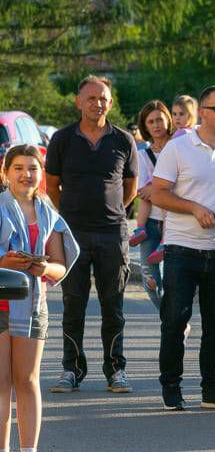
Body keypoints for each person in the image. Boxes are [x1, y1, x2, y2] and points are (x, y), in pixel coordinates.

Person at [150, 85, 215, 411]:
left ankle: (212, 389)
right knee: (175, 320)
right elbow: (158, 194)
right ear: (204, 112)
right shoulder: (179, 147)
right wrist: (194, 208)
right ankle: (171, 386)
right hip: (182, 248)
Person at [45, 75, 137, 395]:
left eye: (103, 99)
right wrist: (69, 216)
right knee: (74, 305)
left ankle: (116, 370)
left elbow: (130, 188)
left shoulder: (123, 140)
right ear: (78, 102)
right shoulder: (62, 139)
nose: (98, 103)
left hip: (113, 234)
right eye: (91, 98)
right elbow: (51, 186)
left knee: (113, 306)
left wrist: (112, 212)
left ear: (110, 103)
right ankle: (71, 370)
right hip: (73, 234)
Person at [0, 145, 77, 452]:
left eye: (32, 168)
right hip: (0, 303)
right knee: (0, 382)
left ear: (40, 173)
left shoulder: (49, 214)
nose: (25, 174)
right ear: (5, 173)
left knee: (27, 380)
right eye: (18, 167)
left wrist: (44, 266)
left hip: (32, 305)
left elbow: (61, 267)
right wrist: (5, 263)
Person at [129, 100, 174, 307]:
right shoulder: (142, 155)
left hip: (176, 223)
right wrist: (154, 190)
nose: (156, 125)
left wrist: (153, 190)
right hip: (150, 223)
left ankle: (175, 322)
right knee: (149, 278)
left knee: (176, 281)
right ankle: (168, 318)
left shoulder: (179, 148)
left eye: (159, 120)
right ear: (145, 126)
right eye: (150, 122)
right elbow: (141, 191)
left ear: (168, 120)